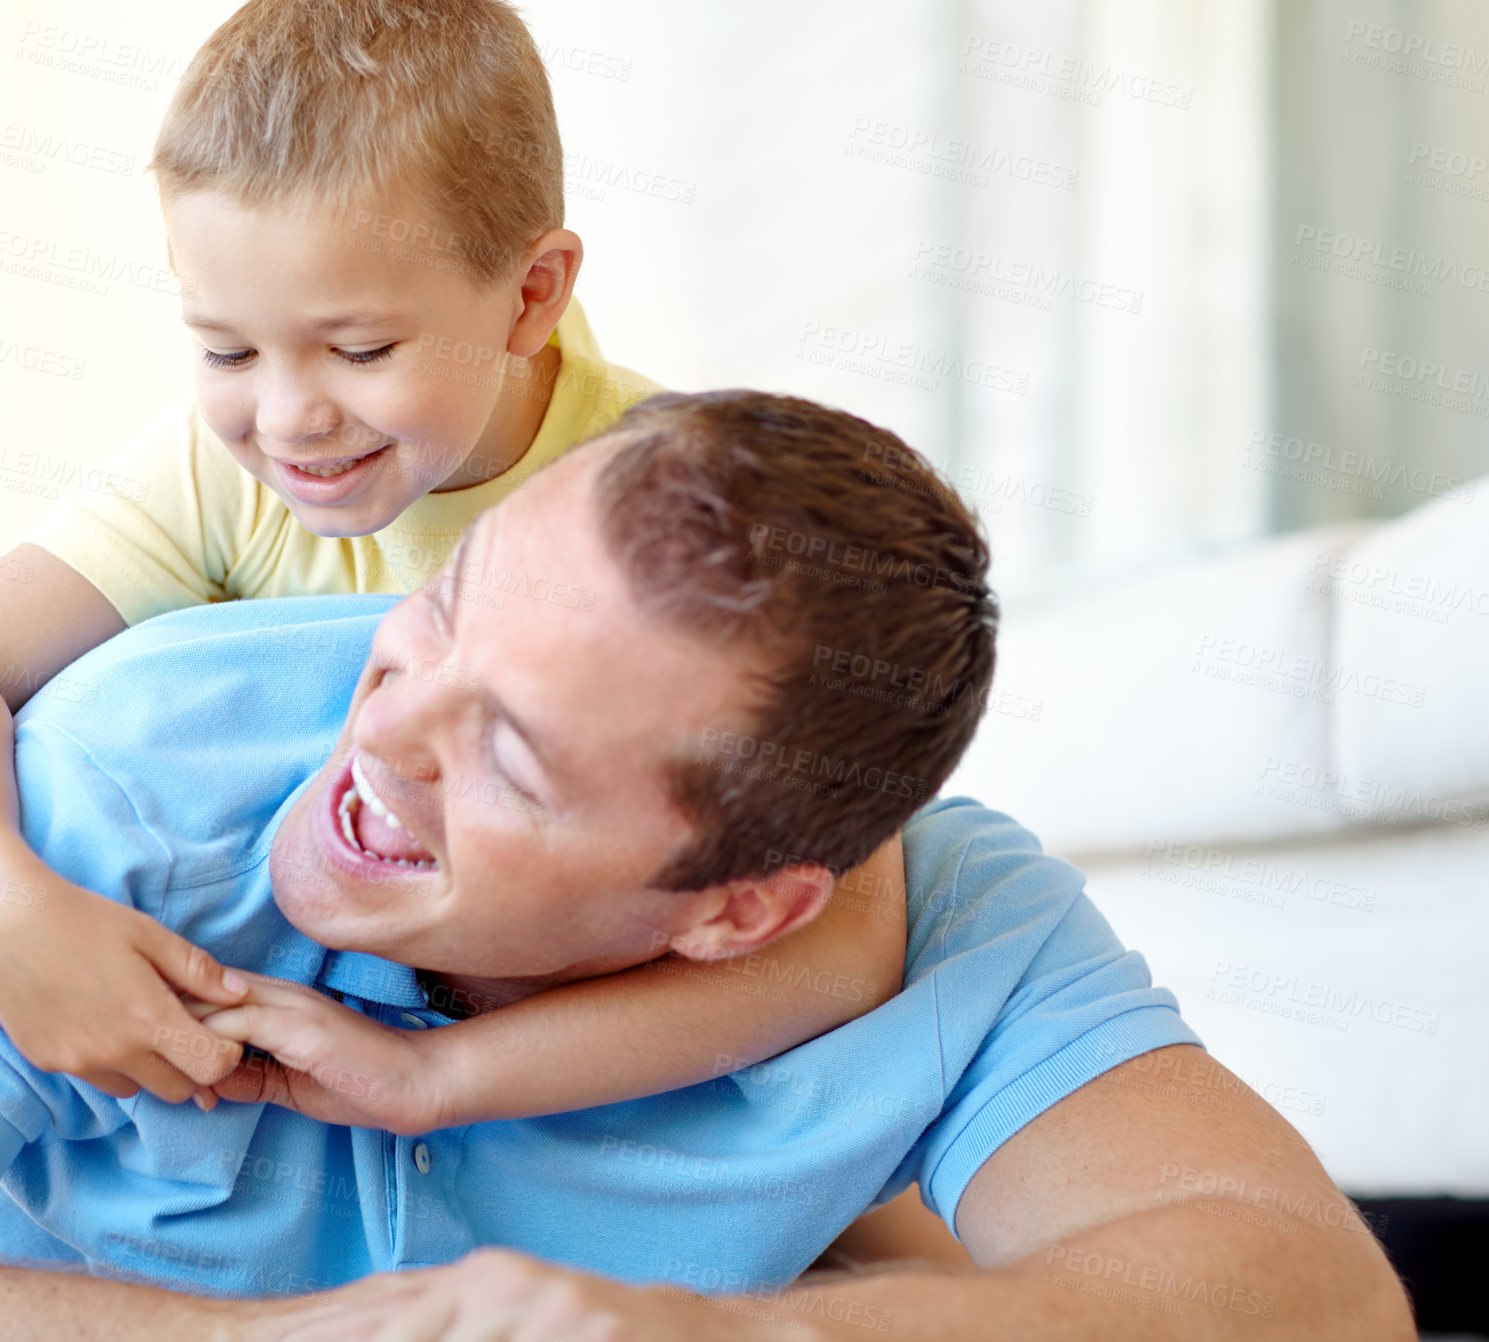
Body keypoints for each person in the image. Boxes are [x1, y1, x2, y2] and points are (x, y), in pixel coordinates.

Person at [0, 393, 1410, 1338]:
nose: (383, 724)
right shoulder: (123, 802)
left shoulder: (939, 922)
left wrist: (730, 1329)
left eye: (515, 759)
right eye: (447, 604)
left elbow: (1314, 1289)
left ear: (746, 912)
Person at [0, 0, 902, 1132]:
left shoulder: (667, 503)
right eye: (225, 348)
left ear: (532, 296)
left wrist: (441, 1082)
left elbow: (846, 936)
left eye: (361, 349)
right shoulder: (213, 472)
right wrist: (18, 918)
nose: (287, 419)